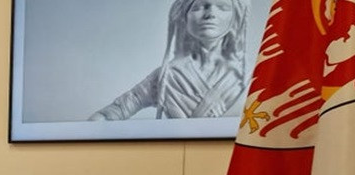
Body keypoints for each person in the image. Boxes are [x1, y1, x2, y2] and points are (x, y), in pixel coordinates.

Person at [90, 0, 249, 120]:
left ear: (235, 19)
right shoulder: (167, 76)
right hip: (181, 151)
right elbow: (116, 110)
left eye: (222, 7)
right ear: (184, 18)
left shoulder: (248, 76)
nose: (210, 14)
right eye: (197, 7)